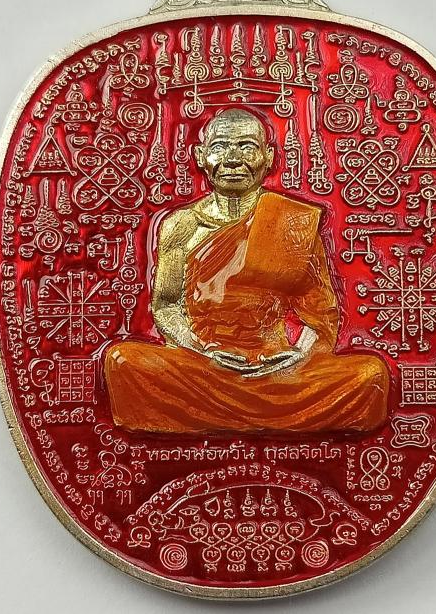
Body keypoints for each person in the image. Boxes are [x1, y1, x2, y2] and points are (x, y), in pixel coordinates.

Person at [104, 108, 389, 434]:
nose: (232, 159)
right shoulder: (180, 225)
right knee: (122, 362)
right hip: (204, 365)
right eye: (220, 147)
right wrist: (203, 351)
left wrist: (297, 354)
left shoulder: (291, 221)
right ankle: (268, 419)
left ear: (268, 157)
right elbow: (166, 306)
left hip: (272, 365)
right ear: (200, 156)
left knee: (370, 375)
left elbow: (320, 313)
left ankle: (217, 417)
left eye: (246, 147)